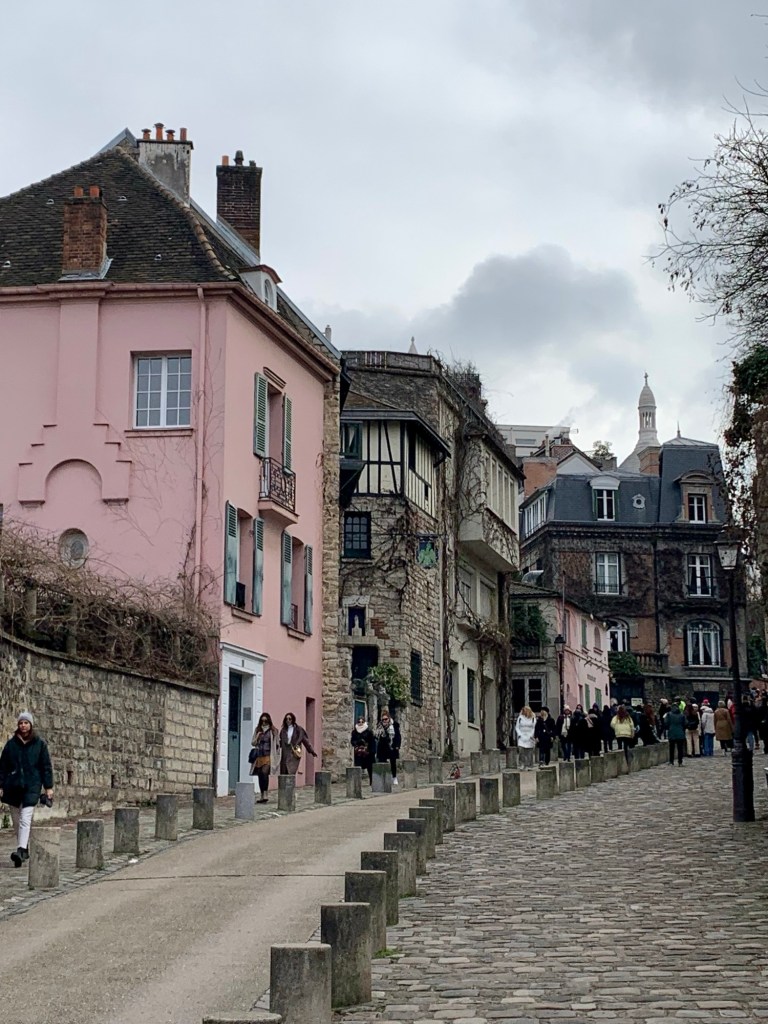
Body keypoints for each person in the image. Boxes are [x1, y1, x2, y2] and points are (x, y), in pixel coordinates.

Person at [0, 712, 53, 867]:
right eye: (21, 723)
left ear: (31, 725)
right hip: (13, 786)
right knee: (17, 821)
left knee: (25, 818)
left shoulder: (39, 744)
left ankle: (21, 849)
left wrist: (48, 787)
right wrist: (1, 785)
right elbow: (2, 767)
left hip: (32, 785)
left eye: (26, 723)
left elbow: (46, 767)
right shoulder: (11, 745)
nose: (23, 725)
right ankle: (24, 848)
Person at [249, 712, 280, 803]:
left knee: (265, 772)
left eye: (266, 721)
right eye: (262, 721)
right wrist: (257, 736)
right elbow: (253, 743)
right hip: (259, 755)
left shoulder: (273, 731)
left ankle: (266, 793)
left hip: (268, 755)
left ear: (269, 721)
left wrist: (277, 753)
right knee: (260, 775)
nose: (264, 722)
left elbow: (276, 743)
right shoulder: (257, 730)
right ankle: (262, 794)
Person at [375, 709, 401, 785]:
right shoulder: (380, 726)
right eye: (383, 719)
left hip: (392, 746)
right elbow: (377, 736)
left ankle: (394, 777)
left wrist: (397, 745)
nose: (384, 721)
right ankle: (383, 777)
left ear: (389, 718)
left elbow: (398, 736)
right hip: (383, 746)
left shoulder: (394, 725)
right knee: (381, 761)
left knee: (393, 762)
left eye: (386, 719)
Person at [350, 714, 376, 784]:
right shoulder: (354, 732)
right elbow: (352, 741)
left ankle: (372, 781)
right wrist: (357, 743)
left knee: (370, 767)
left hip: (368, 752)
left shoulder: (369, 731)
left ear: (364, 722)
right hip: (359, 752)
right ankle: (357, 783)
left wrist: (372, 751)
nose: (360, 723)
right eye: (359, 721)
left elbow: (372, 741)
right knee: (358, 767)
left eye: (362, 721)